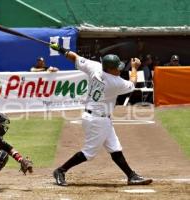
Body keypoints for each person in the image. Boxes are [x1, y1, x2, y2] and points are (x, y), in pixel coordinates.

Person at [50, 43, 153, 186]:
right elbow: (132, 83)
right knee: (89, 153)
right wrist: (135, 68)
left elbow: (74, 57)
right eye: (117, 68)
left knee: (115, 147)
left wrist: (60, 49)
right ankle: (60, 170)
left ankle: (131, 175)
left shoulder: (95, 67)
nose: (119, 70)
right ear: (110, 69)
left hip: (99, 118)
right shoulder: (115, 82)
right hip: (96, 120)